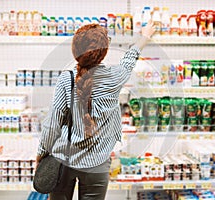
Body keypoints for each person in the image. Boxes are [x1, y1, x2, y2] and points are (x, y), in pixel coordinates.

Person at [36, 20, 155, 200]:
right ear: (103, 52)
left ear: (75, 51)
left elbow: (53, 124)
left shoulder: (66, 80)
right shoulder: (116, 76)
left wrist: (41, 154)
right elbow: (130, 58)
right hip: (98, 165)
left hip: (64, 161)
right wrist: (144, 37)